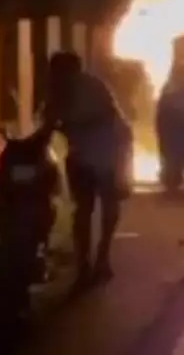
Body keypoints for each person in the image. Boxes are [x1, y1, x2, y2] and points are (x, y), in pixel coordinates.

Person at [43, 51, 133, 287]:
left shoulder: (92, 87)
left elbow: (92, 117)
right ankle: (83, 264)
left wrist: (64, 124)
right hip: (82, 153)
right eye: (56, 72)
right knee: (82, 208)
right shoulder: (55, 90)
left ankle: (103, 257)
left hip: (109, 149)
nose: (59, 76)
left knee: (109, 203)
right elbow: (49, 121)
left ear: (74, 71)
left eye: (62, 72)